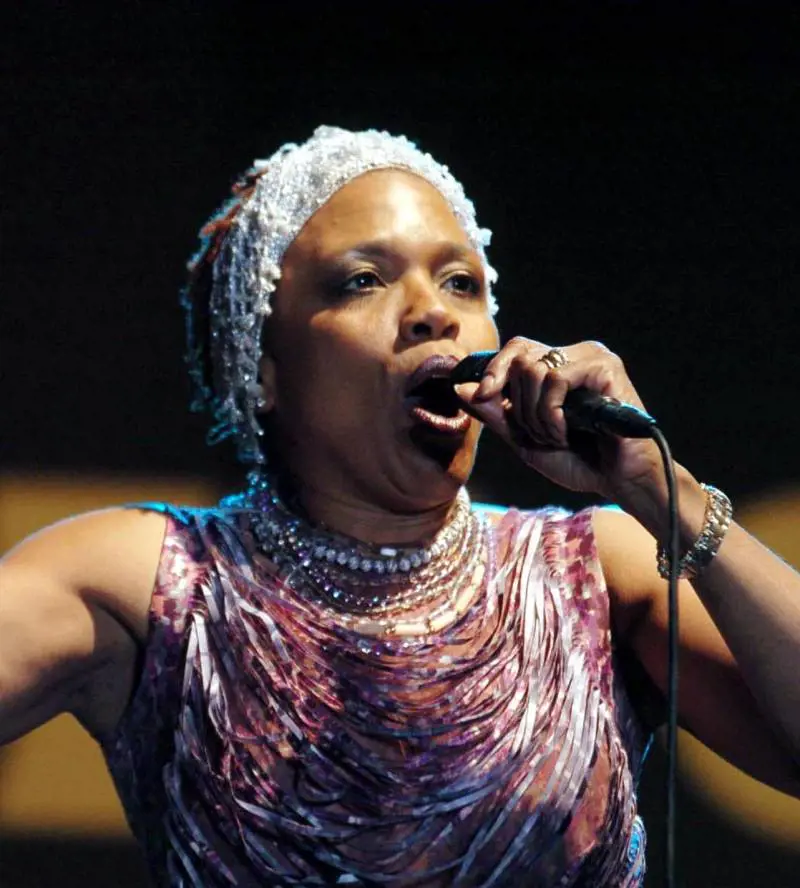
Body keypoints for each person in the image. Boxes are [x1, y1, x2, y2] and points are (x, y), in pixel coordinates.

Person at [1, 125, 799, 888]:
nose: (433, 311)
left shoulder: (599, 571)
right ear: (261, 366)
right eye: (363, 280)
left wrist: (667, 495)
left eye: (462, 282)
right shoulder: (153, 583)